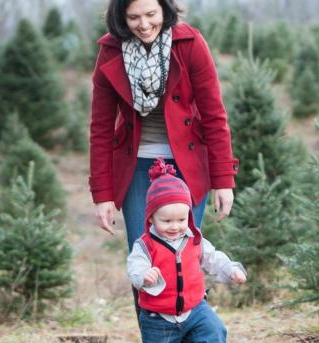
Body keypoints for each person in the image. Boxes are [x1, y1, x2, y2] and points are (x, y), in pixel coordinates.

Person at [89, 0, 238, 247]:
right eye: (134, 17)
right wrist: (102, 195)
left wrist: (223, 180)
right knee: (144, 258)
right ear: (121, 17)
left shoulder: (189, 44)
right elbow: (100, 129)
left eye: (151, 14)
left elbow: (214, 116)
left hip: (188, 165)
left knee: (184, 256)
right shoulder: (111, 50)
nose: (144, 25)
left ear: (165, 10)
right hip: (136, 166)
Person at [127, 158, 247, 343]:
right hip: (158, 318)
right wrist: (143, 275)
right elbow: (135, 265)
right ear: (151, 218)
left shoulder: (194, 239)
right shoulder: (145, 245)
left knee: (214, 330)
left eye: (181, 220)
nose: (175, 226)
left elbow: (212, 257)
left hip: (195, 310)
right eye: (166, 221)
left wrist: (231, 269)